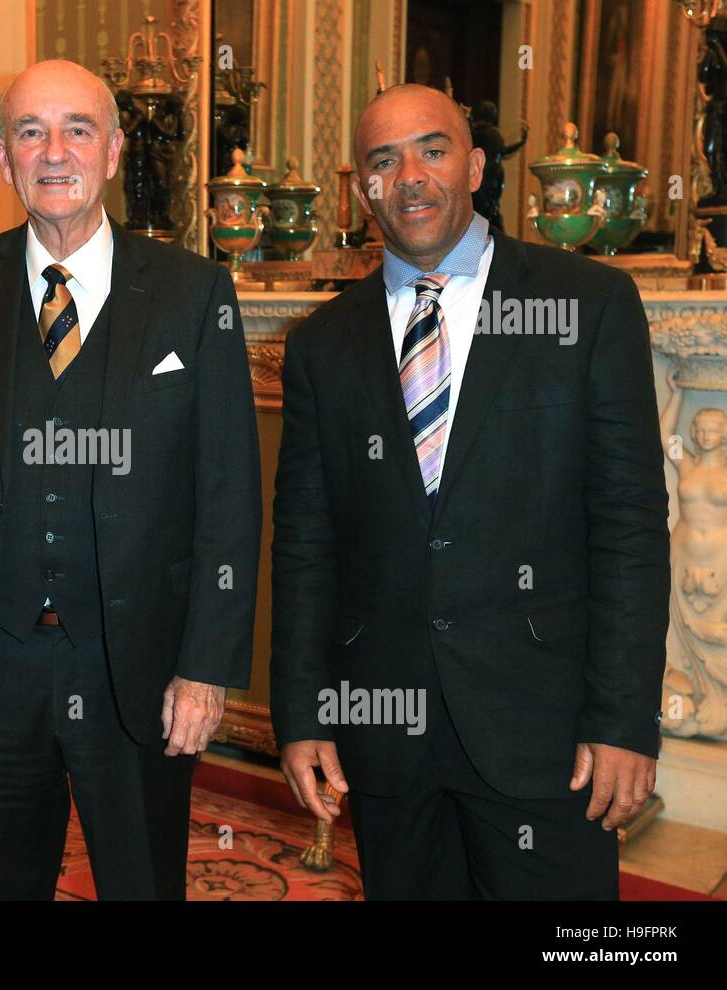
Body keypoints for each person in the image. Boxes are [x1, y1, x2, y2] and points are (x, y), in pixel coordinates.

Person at [270, 83, 670, 899]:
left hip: (545, 732)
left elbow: (628, 524)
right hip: (386, 732)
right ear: (362, 188)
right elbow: (306, 541)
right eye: (384, 160)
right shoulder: (321, 344)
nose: (410, 176)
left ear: (477, 166)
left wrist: (625, 720)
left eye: (433, 149)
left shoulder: (586, 305)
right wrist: (303, 714)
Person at [0, 59, 262, 900]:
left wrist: (206, 665)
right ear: (0, 153)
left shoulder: (195, 293)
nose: (54, 152)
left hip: (140, 667)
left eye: (77, 129)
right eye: (30, 132)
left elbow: (229, 495)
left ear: (116, 149)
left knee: (143, 885)